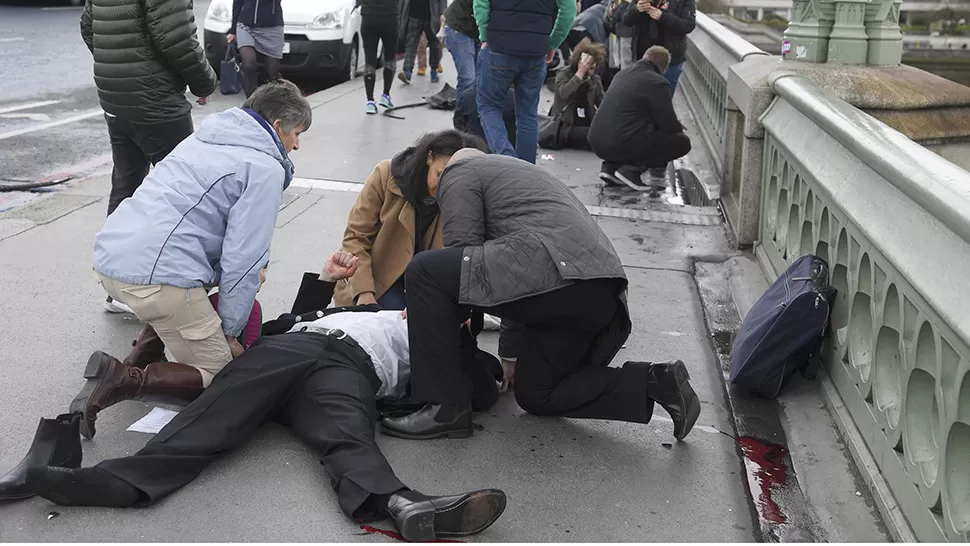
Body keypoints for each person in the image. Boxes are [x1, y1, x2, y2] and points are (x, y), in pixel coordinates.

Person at [16, 252, 509, 543]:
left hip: (351, 369)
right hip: (289, 347)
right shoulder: (373, 309)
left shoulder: (450, 343)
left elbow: (482, 389)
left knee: (346, 436)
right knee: (217, 416)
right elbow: (283, 324)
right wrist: (322, 281)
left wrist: (462, 338)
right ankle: (116, 483)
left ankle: (398, 504)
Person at [380, 150, 701, 442]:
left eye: (437, 178)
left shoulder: (461, 169)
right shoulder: (525, 185)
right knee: (538, 394)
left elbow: (465, 253)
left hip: (559, 277)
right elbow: (511, 279)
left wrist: (434, 310)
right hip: (597, 293)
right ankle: (654, 381)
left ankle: (444, 408)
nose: (438, 190)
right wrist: (509, 357)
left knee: (424, 270)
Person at [74, 81, 311, 440]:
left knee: (191, 280)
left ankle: (136, 359)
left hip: (113, 259)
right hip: (156, 277)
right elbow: (243, 260)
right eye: (297, 134)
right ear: (278, 127)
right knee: (220, 375)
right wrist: (229, 332)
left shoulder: (205, 137)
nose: (297, 144)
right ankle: (122, 379)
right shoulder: (264, 166)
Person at [80, 0, 217, 314]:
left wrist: (119, 68)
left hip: (116, 96)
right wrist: (204, 82)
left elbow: (89, 26)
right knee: (187, 192)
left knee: (126, 185)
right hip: (157, 100)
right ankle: (186, 285)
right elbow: (176, 37)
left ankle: (116, 286)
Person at [335, 130, 488, 309]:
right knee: (395, 326)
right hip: (378, 279)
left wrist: (460, 306)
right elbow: (356, 238)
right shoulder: (385, 175)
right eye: (440, 175)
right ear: (429, 157)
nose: (444, 187)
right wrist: (364, 293)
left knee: (442, 329)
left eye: (454, 180)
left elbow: (466, 254)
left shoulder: (465, 195)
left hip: (430, 282)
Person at [474, 0, 577, 164]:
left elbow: (481, 3)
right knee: (528, 114)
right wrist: (553, 43)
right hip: (535, 52)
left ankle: (507, 161)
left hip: (499, 47)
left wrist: (485, 35)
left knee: (489, 106)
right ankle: (527, 170)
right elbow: (569, 10)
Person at [587, 46, 690, 190]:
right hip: (619, 142)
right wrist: (678, 126)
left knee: (631, 129)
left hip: (596, 141)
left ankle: (610, 168)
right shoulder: (657, 83)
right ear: (664, 68)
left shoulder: (622, 74)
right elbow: (668, 125)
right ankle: (631, 170)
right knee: (681, 142)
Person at [539, 38, 605, 151]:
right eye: (590, 66)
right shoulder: (564, 74)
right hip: (565, 126)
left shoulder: (594, 79)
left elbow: (602, 103)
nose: (592, 70)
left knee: (607, 134)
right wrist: (580, 74)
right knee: (595, 137)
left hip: (585, 121)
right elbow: (564, 93)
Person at [622, 0, 695, 92]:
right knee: (640, 97)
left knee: (663, 98)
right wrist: (636, 9)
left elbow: (689, 24)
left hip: (670, 60)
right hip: (642, 57)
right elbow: (626, 20)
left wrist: (663, 17)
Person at [228, 0, 285, 98]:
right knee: (248, 65)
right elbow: (238, 2)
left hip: (272, 28)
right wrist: (233, 30)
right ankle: (251, 104)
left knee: (272, 73)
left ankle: (277, 102)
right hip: (245, 26)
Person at [359, 0, 400, 114]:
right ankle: (385, 95)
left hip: (368, 16)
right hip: (390, 15)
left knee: (370, 60)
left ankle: (370, 101)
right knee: (390, 57)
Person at [398, 0, 448, 84]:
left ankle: (434, 70)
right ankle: (407, 72)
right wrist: (400, 12)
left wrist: (442, 12)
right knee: (411, 44)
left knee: (434, 44)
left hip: (431, 17)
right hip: (413, 15)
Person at [443, 0, 481, 101]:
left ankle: (472, 113)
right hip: (459, 27)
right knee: (468, 79)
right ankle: (462, 115)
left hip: (476, 31)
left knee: (479, 79)